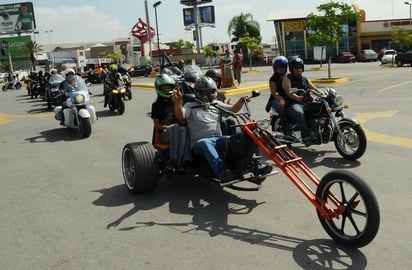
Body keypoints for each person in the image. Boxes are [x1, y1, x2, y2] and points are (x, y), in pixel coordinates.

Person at [174, 76, 272, 182]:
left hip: (218, 139)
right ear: (198, 91)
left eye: (210, 91)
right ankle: (222, 172)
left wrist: (241, 100)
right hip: (199, 143)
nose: (208, 94)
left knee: (242, 139)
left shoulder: (215, 104)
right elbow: (181, 117)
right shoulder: (190, 106)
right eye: (205, 91)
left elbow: (233, 110)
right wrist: (178, 102)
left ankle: (258, 167)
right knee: (205, 143)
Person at [282, 57, 322, 147]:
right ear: (292, 69)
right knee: (299, 113)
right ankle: (306, 137)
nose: (298, 69)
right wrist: (298, 98)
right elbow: (288, 92)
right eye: (296, 68)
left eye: (300, 67)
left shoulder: (305, 78)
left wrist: (323, 93)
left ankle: (317, 131)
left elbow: (315, 88)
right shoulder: (287, 78)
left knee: (320, 108)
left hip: (306, 103)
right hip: (293, 104)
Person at [151, 74, 187, 170]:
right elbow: (158, 126)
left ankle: (179, 162)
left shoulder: (176, 102)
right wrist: (171, 127)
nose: (167, 90)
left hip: (177, 130)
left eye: (168, 88)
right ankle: (173, 160)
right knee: (177, 128)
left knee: (183, 129)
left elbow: (182, 118)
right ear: (159, 89)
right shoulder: (155, 105)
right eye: (164, 88)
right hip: (163, 135)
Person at [265, 56, 289, 132]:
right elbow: (274, 92)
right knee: (282, 109)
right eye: (279, 67)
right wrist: (281, 98)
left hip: (287, 97)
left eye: (284, 67)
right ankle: (285, 128)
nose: (282, 69)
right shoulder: (273, 79)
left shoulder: (287, 77)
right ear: (275, 68)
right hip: (276, 98)